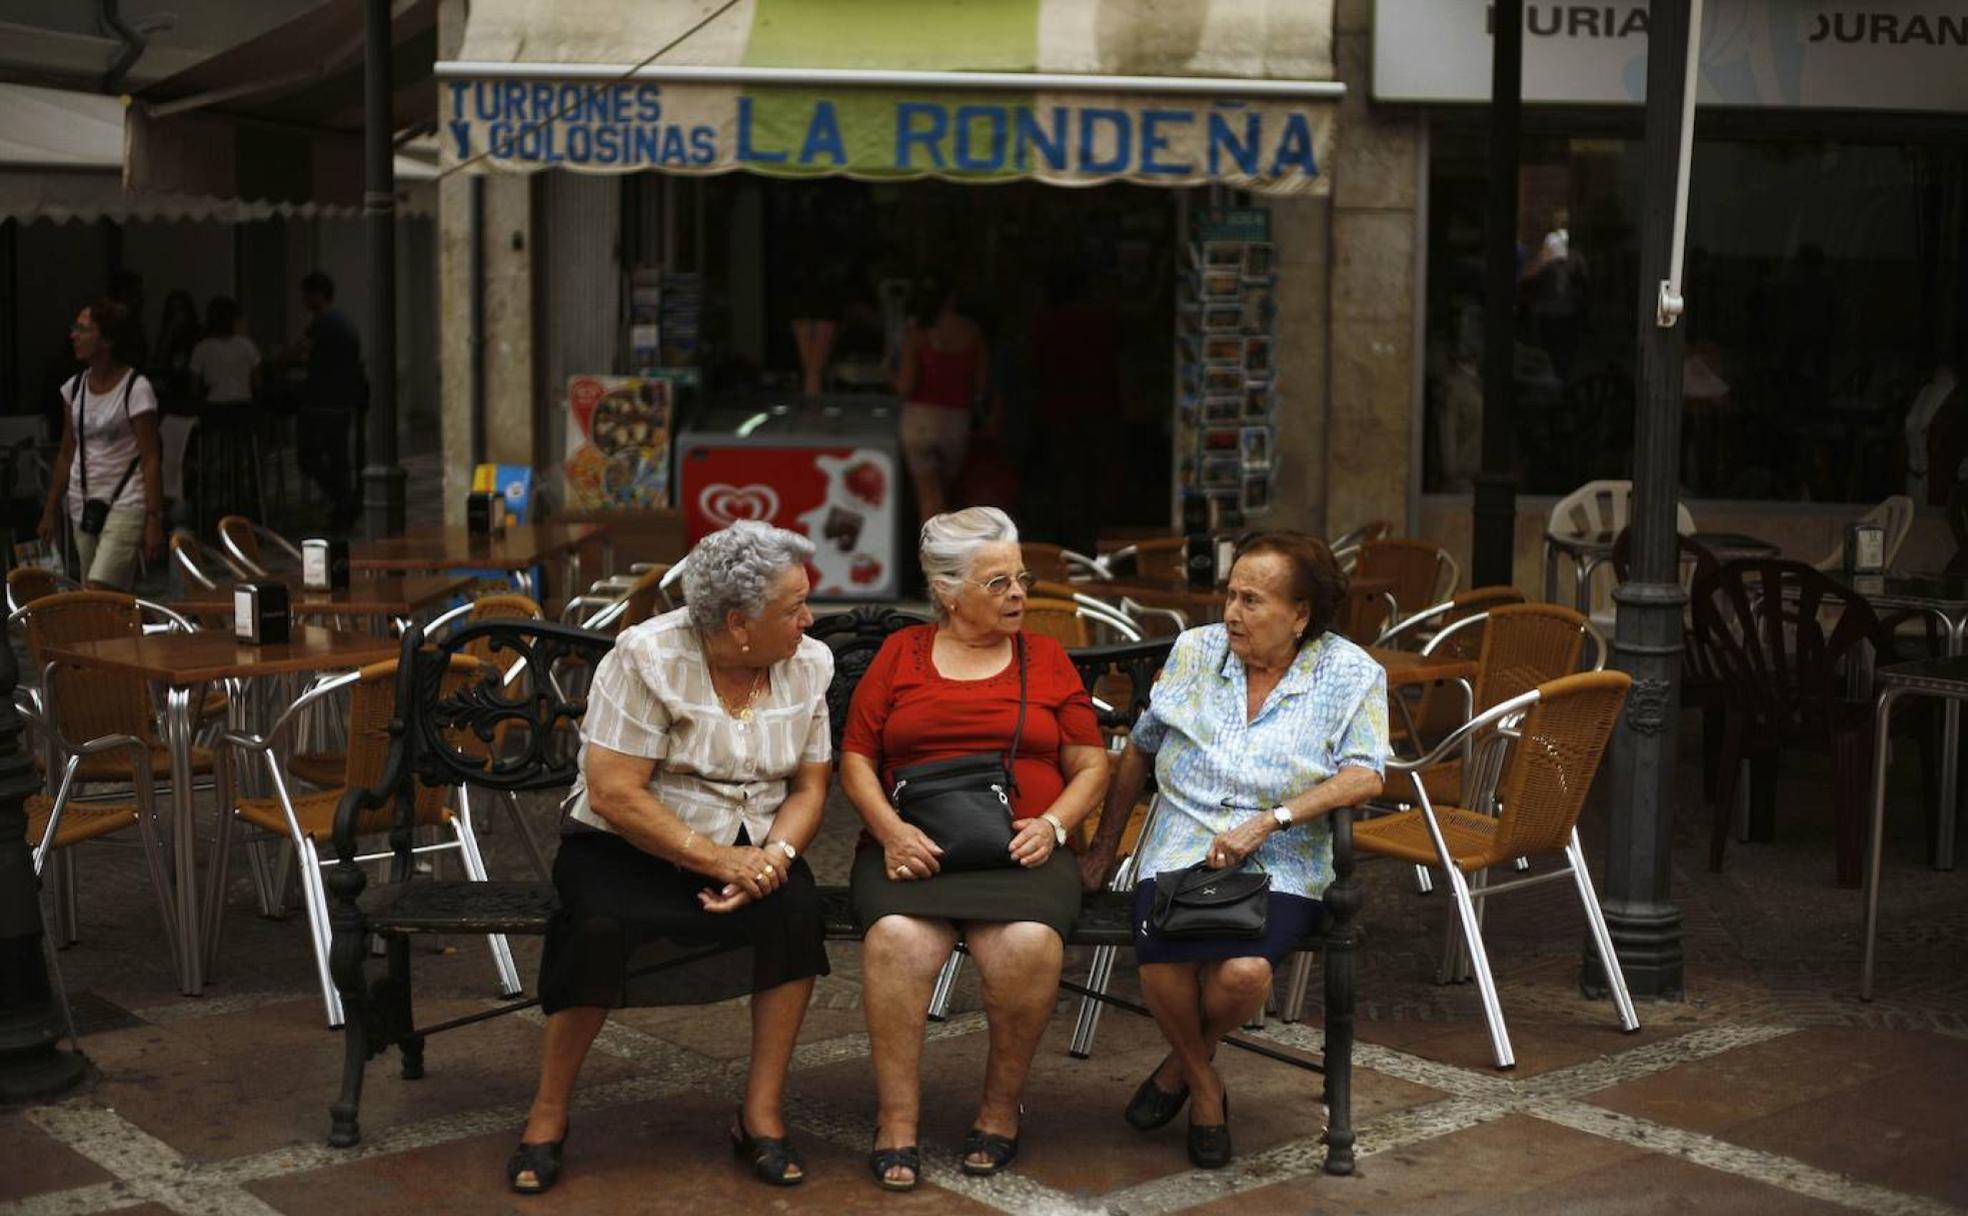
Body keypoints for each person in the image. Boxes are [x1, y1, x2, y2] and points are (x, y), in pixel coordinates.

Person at [509, 522, 834, 1194]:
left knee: (796, 909)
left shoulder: (808, 663)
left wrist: (772, 857)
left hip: (753, 844)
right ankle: (547, 1112)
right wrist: (717, 861)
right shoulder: (647, 658)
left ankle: (761, 1114)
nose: (810, 617)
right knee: (596, 927)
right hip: (630, 843)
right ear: (740, 624)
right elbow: (615, 793)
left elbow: (810, 787)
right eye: (794, 606)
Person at [1080, 532, 1388, 1170]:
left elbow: (1366, 775)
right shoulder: (1196, 652)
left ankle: (1177, 1070)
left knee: (1243, 973)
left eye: (1252, 600)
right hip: (1181, 842)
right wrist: (1105, 848)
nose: (1231, 613)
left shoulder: (1352, 672)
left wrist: (1271, 819)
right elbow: (1139, 745)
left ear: (1300, 614)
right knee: (1162, 962)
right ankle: (1207, 1089)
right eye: (1230, 595)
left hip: (1285, 857)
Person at [840, 507, 1110, 1190]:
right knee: (896, 938)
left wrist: (1051, 825)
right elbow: (856, 758)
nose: (1019, 594)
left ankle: (998, 1111)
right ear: (947, 591)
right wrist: (891, 832)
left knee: (1027, 944)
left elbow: (1091, 764)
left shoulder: (1044, 660)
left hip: (1021, 850)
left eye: (1022, 579)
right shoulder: (900, 657)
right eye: (997, 583)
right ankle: (897, 1120)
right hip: (912, 850)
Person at [37, 299, 166, 589]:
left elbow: (150, 457)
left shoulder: (135, 388)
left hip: (126, 499)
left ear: (106, 340)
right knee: (108, 598)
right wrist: (50, 510)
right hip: (83, 501)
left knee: (97, 589)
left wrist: (154, 518)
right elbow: (66, 452)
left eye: (83, 329)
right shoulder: (75, 388)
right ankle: (145, 629)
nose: (74, 336)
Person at [893, 276, 987, 524]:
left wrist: (887, 374)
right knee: (944, 495)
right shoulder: (971, 332)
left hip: (920, 419)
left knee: (928, 499)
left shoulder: (917, 334)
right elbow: (980, 384)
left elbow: (905, 385)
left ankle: (932, 558)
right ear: (952, 298)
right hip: (956, 421)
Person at [278, 271, 364, 530]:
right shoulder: (342, 322)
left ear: (317, 294)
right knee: (338, 457)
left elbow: (298, 350)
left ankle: (344, 501)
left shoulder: (323, 322)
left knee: (309, 455)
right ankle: (344, 503)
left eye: (306, 294)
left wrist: (276, 361)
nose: (303, 300)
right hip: (341, 400)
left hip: (321, 402)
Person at [188, 297, 261, 409]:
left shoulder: (202, 347)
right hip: (243, 402)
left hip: (214, 404)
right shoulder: (246, 345)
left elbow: (194, 385)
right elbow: (257, 380)